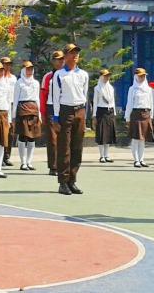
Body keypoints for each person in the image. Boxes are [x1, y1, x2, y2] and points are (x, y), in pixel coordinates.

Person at [51, 42, 89, 195]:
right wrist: (55, 118)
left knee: (77, 148)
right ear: (65, 56)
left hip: (79, 110)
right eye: (72, 53)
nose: (75, 55)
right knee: (64, 148)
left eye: (77, 53)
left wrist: (84, 114)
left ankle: (72, 180)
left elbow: (85, 95)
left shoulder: (83, 74)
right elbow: (55, 97)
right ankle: (63, 182)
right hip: (65, 111)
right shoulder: (59, 75)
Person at [124, 67, 154, 167]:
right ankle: (136, 160)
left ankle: (142, 159)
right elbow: (129, 104)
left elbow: (151, 103)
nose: (142, 78)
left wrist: (151, 116)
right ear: (136, 77)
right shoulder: (132, 89)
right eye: (140, 76)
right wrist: (127, 118)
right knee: (136, 138)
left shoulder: (148, 89)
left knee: (143, 139)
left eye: (143, 76)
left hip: (146, 114)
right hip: (136, 114)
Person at [12, 60, 40, 171]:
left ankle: (29, 161)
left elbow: (37, 98)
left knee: (32, 137)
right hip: (22, 109)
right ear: (23, 70)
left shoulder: (36, 83)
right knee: (23, 137)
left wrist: (40, 114)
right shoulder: (19, 82)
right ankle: (23, 162)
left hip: (33, 110)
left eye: (31, 69)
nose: (29, 71)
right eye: (27, 69)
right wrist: (14, 116)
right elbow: (15, 99)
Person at [40, 49, 64, 177]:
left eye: (61, 59)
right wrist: (43, 114)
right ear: (53, 62)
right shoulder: (48, 77)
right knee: (53, 139)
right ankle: (53, 166)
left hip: (64, 109)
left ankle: (64, 165)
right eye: (57, 59)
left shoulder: (67, 75)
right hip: (50, 108)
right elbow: (43, 96)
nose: (60, 62)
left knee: (64, 139)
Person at [92, 68, 117, 163]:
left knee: (109, 134)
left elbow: (113, 101)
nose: (107, 78)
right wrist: (94, 115)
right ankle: (101, 155)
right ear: (101, 77)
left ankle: (107, 155)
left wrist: (114, 113)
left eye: (108, 76)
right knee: (101, 134)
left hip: (110, 111)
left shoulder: (111, 88)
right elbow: (95, 102)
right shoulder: (97, 88)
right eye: (105, 76)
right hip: (101, 111)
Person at [0, 56, 18, 166]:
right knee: (2, 131)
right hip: (2, 106)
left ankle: (7, 156)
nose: (7, 66)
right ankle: (0, 157)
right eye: (5, 64)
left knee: (11, 132)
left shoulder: (13, 78)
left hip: (11, 105)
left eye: (9, 64)